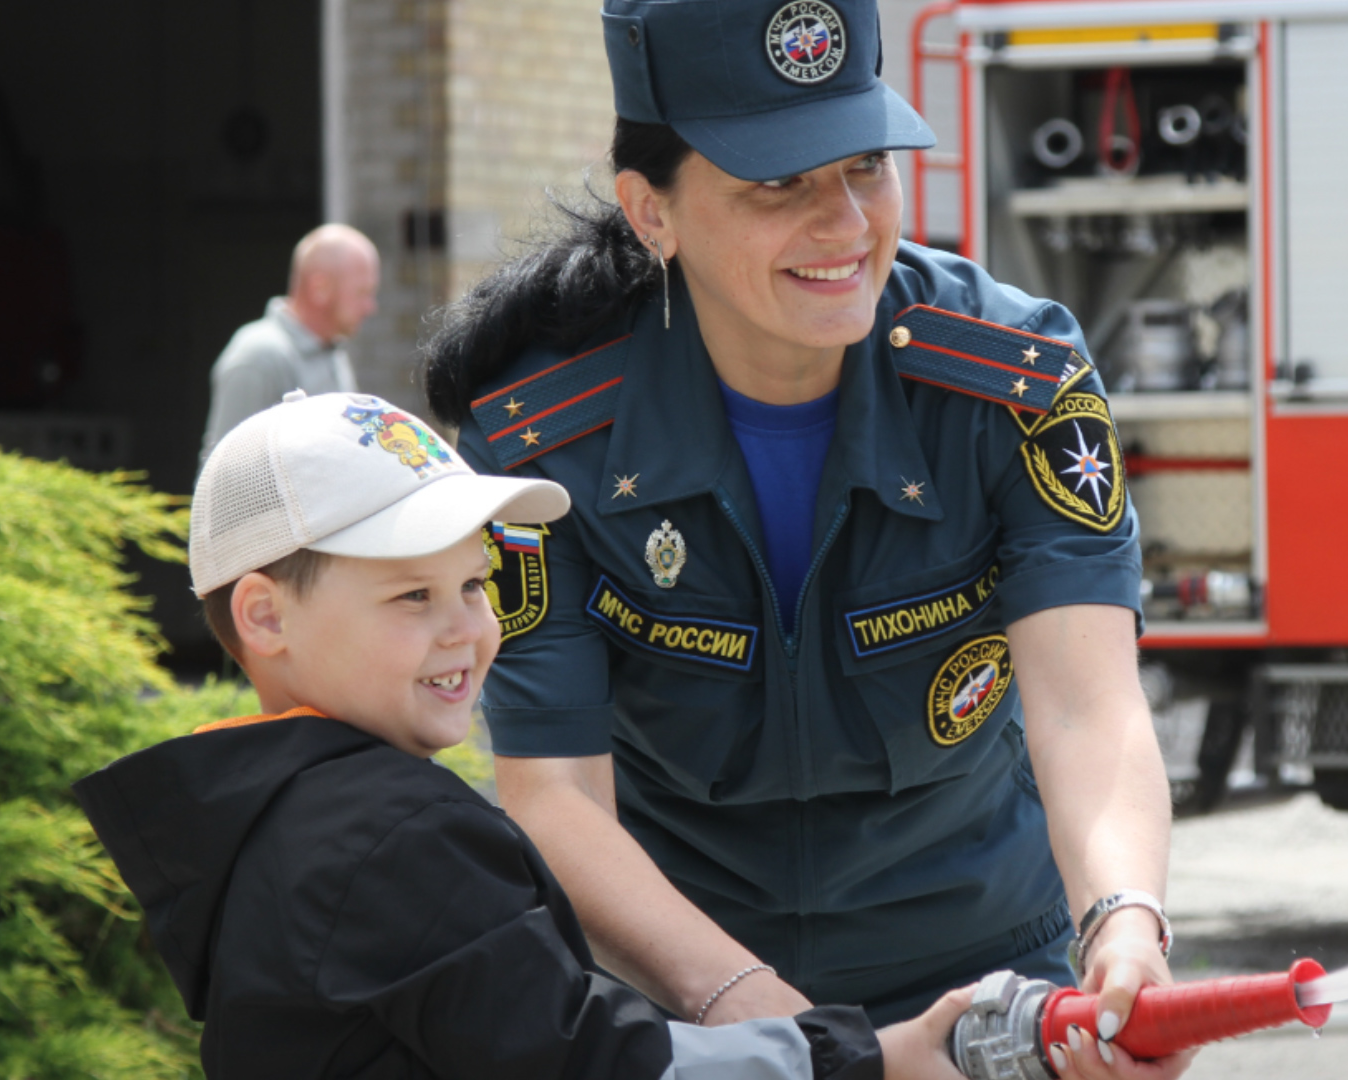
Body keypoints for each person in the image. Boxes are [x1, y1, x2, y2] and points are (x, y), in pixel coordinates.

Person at [422, 3, 1187, 1077]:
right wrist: (788, 1039)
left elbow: (1085, 704)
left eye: (865, 166)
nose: (845, 224)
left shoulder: (1017, 382)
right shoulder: (538, 441)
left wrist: (1123, 925)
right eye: (777, 184)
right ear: (652, 212)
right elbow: (554, 793)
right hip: (690, 1002)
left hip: (988, 983)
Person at [72, 391, 969, 1079]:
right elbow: (593, 1062)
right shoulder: (388, 834)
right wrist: (868, 1056)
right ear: (265, 618)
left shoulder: (264, 819)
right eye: (412, 596)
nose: (467, 627)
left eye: (474, 584)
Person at [199, 224, 380, 462]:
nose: (370, 308)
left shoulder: (332, 350)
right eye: (361, 293)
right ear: (320, 288)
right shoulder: (259, 356)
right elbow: (223, 473)